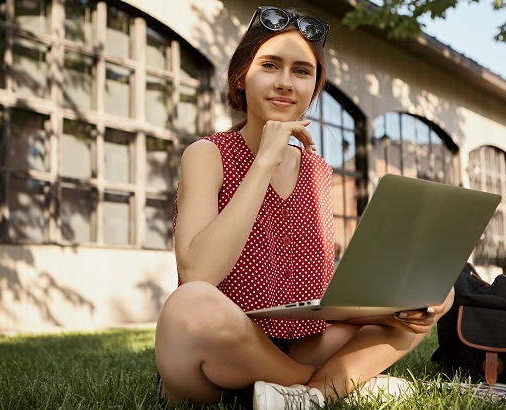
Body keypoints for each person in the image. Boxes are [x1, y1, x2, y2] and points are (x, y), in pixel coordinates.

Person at [154, 6, 454, 409]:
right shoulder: (208, 154)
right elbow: (198, 275)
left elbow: (317, 299)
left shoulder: (316, 170)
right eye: (270, 66)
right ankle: (326, 387)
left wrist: (390, 314)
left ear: (314, 88)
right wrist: (263, 163)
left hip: (301, 341)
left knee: (436, 293)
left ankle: (298, 398)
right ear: (242, 75)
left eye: (301, 71)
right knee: (188, 305)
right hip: (218, 348)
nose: (284, 83)